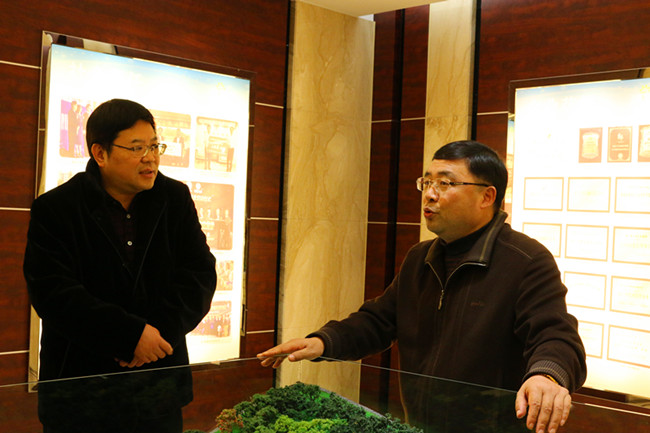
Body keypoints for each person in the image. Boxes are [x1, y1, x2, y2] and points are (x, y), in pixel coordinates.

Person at [258, 140, 587, 433]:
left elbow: (556, 335)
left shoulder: (526, 260)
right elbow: (378, 321)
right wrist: (323, 341)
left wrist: (547, 375)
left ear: (487, 196)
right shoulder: (420, 257)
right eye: (427, 182)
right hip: (420, 425)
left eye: (445, 183)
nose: (430, 194)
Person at [24, 99, 217, 433]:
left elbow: (199, 275)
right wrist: (128, 337)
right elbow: (53, 293)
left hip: (157, 389)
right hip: (81, 393)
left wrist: (155, 336)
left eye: (155, 146)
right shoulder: (56, 208)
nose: (151, 157)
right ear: (100, 153)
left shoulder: (174, 198)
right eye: (137, 148)